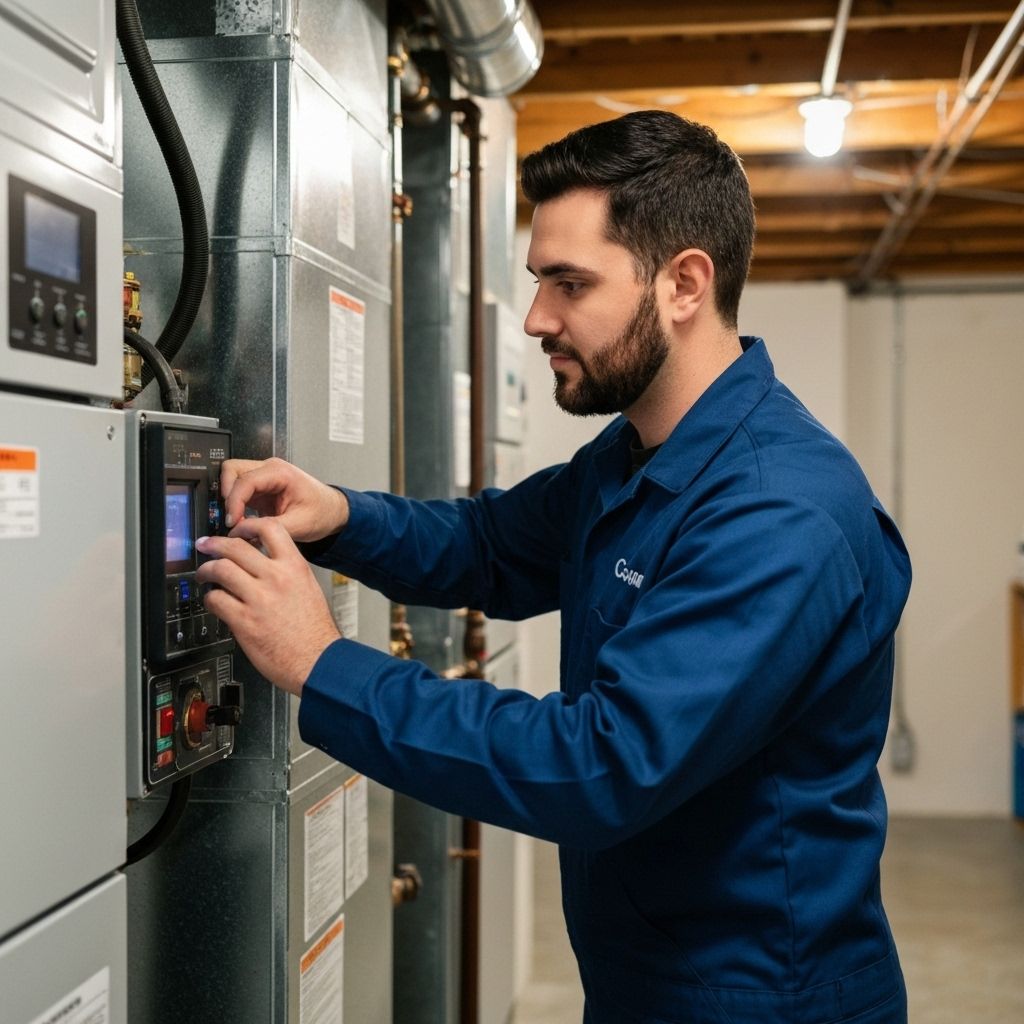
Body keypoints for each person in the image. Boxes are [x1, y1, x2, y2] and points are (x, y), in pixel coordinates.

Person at [196, 110, 912, 1024]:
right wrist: (337, 517)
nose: (537, 319)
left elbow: (601, 767)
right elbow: (490, 545)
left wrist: (324, 666)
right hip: (644, 981)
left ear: (684, 283)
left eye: (570, 284)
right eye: (540, 281)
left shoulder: (780, 511)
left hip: (762, 998)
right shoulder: (636, 454)